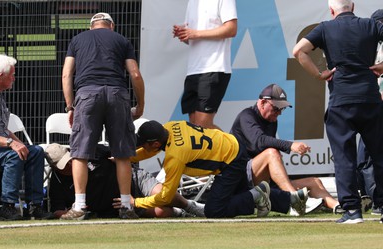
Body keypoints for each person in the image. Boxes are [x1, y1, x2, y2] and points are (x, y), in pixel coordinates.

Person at [293, 0, 383, 224]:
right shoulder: (371, 25)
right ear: (352, 7)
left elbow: (298, 51)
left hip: (341, 100)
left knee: (344, 158)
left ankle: (352, 211)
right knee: (380, 155)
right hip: (370, 98)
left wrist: (318, 75)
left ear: (332, 11)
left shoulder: (325, 27)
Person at [129, 120, 310, 218]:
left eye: (144, 144)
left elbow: (166, 197)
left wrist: (136, 203)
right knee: (238, 195)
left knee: (214, 211)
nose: (143, 148)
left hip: (230, 160)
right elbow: (150, 150)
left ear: (156, 142)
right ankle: (292, 198)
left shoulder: (175, 157)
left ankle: (257, 195)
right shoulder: (169, 126)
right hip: (231, 146)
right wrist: (128, 158)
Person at [61, 12, 145, 219]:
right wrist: (140, 104)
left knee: (80, 152)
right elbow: (134, 74)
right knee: (122, 153)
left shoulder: (77, 40)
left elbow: (66, 74)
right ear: (111, 26)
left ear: (91, 27)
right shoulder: (121, 40)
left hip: (87, 94)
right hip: (117, 94)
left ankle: (79, 206)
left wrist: (70, 106)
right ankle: (126, 206)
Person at [230, 84, 339, 215]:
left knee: (314, 181)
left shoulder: (271, 121)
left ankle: (338, 206)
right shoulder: (246, 115)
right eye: (276, 108)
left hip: (262, 180)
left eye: (282, 109)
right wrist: (290, 145)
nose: (279, 113)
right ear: (263, 102)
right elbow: (258, 142)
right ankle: (294, 200)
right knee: (272, 153)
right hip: (240, 176)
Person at [45, 143, 204, 219]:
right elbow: (58, 211)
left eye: (69, 160)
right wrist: (78, 213)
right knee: (162, 212)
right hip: (116, 207)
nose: (69, 166)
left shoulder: (92, 151)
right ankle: (181, 213)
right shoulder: (57, 183)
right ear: (54, 168)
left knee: (163, 194)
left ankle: (190, 206)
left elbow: (123, 155)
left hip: (135, 181)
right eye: (63, 166)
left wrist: (119, 161)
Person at [0, 54, 54, 220]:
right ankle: (7, 207)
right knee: (13, 155)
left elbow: (2, 129)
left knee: (35, 151)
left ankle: (35, 206)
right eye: (12, 75)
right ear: (0, 77)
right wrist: (11, 144)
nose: (14, 78)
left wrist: (19, 143)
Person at [172, 0, 237, 129]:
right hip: (193, 70)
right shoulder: (192, 2)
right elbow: (192, 37)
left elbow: (231, 29)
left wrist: (195, 33)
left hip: (214, 67)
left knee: (201, 127)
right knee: (194, 128)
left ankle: (236, 148)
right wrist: (184, 34)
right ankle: (235, 147)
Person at [356, 9, 383, 215]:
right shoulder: (369, 45)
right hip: (370, 104)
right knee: (365, 157)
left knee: (369, 155)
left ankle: (377, 201)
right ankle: (372, 197)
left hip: (374, 105)